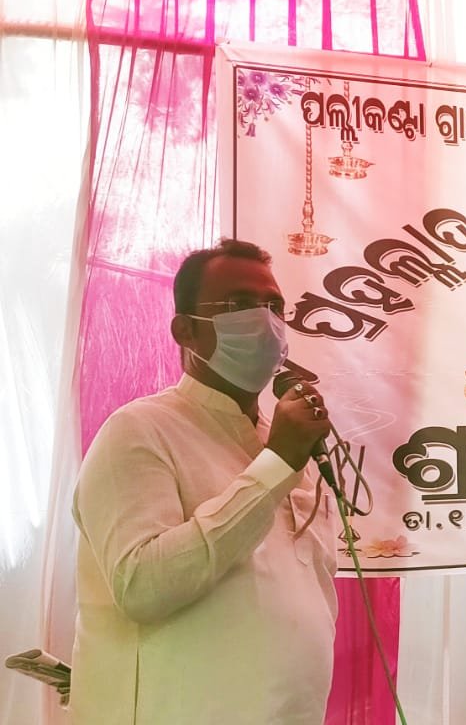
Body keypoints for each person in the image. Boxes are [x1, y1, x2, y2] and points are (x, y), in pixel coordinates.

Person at [70, 238, 339, 725]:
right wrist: (276, 465)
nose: (266, 322)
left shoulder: (289, 443)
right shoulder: (140, 430)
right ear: (186, 331)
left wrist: (282, 456)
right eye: (239, 305)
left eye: (274, 306)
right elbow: (142, 586)